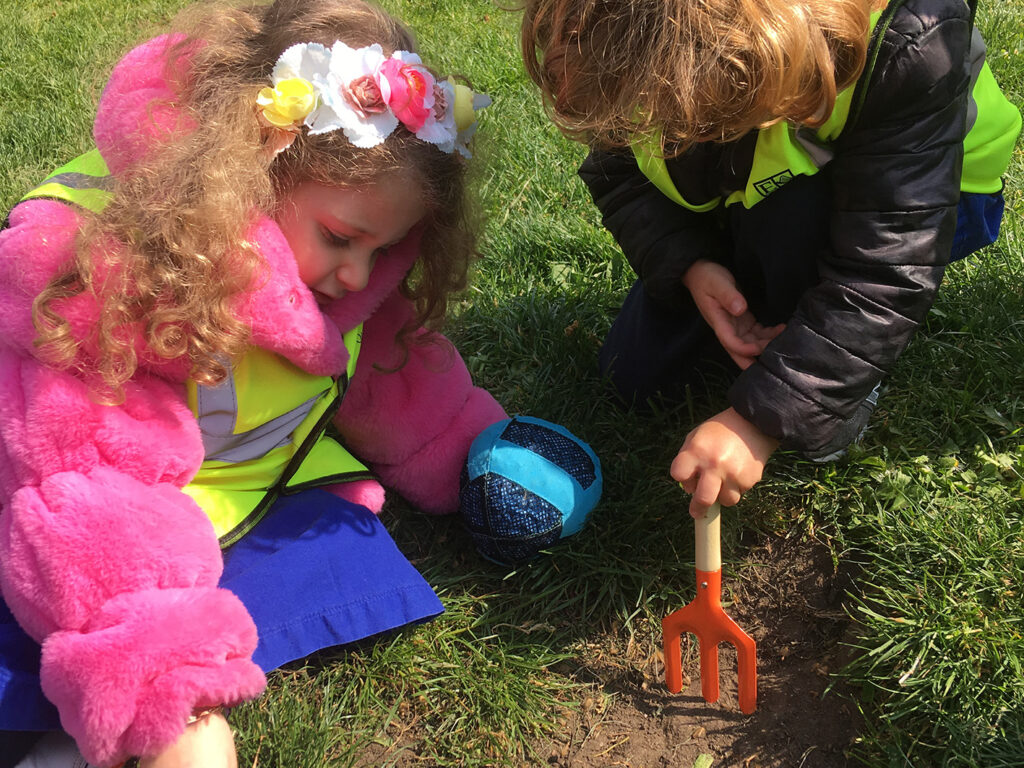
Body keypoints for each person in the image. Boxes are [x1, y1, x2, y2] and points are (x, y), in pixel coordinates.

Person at [0, 0, 508, 765]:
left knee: (337, 550)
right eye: (341, 239)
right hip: (78, 524)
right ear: (251, 170)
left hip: (226, 503)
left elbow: (395, 374)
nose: (358, 275)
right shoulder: (106, 280)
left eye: (387, 248)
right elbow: (88, 485)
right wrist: (171, 683)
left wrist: (475, 453)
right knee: (39, 650)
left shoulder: (348, 277)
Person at [519, 0, 1021, 517]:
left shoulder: (910, 35)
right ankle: (772, 300)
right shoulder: (625, 48)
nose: (648, 126)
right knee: (635, 375)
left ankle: (839, 379)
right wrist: (693, 267)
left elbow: (888, 261)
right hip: (759, 189)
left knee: (795, 220)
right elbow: (617, 173)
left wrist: (761, 421)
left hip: (930, 202)